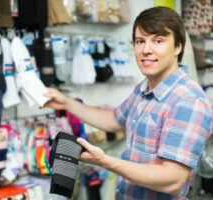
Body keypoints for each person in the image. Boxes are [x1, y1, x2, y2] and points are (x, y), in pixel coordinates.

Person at [43, 6, 213, 200]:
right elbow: (114, 120)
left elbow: (172, 181)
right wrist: (67, 103)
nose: (146, 50)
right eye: (140, 41)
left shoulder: (187, 101)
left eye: (158, 41)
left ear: (178, 47)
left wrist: (105, 161)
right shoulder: (144, 88)